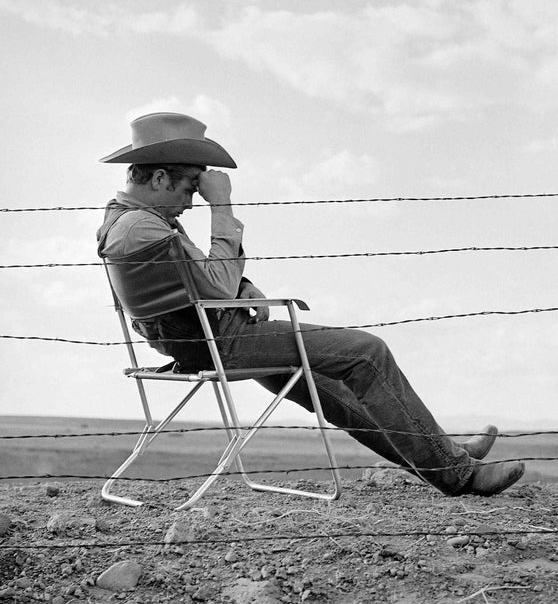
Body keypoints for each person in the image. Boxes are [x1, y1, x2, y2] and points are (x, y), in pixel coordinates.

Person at [97, 112, 525, 497]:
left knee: (333, 390)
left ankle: (443, 456)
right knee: (365, 352)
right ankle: (457, 473)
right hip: (218, 341)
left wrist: (243, 286)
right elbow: (213, 285)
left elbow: (193, 281)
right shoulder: (142, 228)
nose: (193, 200)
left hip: (200, 339)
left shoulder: (131, 223)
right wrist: (223, 207)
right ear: (158, 180)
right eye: (190, 186)